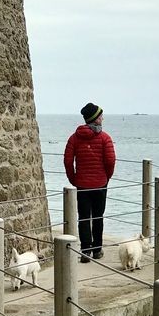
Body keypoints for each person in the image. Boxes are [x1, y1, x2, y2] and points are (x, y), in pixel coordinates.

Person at [63, 103, 116, 262]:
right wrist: (107, 177)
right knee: (98, 216)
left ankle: (86, 251)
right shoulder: (104, 137)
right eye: (100, 116)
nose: (102, 118)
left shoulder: (74, 137)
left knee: (84, 217)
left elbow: (67, 161)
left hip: (82, 184)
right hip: (100, 184)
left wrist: (74, 178)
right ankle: (97, 250)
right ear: (95, 119)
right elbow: (111, 161)